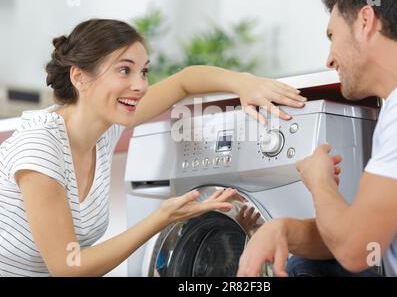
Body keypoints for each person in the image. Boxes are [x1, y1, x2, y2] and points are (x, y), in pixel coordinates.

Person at [0, 19, 306, 277]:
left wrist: (243, 83)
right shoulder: (40, 147)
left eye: (143, 71)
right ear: (79, 77)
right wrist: (161, 218)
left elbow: (183, 82)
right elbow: (68, 267)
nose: (141, 85)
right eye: (124, 70)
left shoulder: (105, 126)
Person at [238, 0, 397, 277]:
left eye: (331, 35)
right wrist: (282, 229)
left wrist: (319, 181)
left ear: (366, 21)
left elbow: (356, 249)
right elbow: (365, 232)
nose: (329, 59)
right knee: (305, 263)